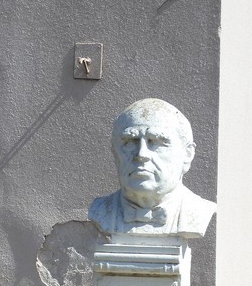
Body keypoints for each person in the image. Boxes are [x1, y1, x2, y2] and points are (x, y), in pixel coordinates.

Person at [89, 98, 216, 239]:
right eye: (130, 142)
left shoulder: (199, 212)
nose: (141, 154)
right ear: (114, 151)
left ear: (187, 154)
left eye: (156, 142)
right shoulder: (99, 211)